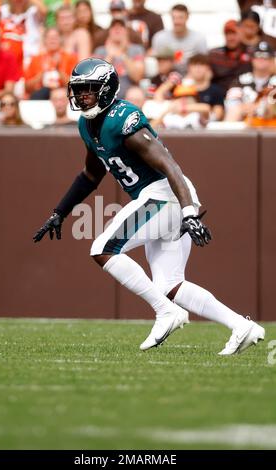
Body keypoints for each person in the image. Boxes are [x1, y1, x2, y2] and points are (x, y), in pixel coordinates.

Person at [33, 57, 265, 355]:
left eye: (89, 89)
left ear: (106, 89)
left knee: (102, 248)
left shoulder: (123, 118)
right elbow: (91, 174)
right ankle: (240, 325)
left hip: (165, 194)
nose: (82, 96)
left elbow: (170, 165)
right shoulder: (87, 124)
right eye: (79, 90)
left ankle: (166, 313)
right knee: (170, 283)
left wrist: (189, 211)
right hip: (160, 198)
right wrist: (59, 212)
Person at [225, 40, 276, 121]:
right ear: (252, 59)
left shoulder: (274, 81)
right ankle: (228, 134)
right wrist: (245, 108)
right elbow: (230, 103)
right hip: (244, 123)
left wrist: (257, 107)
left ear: (272, 60)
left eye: (265, 57)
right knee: (234, 110)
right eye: (258, 56)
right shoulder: (240, 80)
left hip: (270, 124)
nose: (261, 59)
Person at [151, 4, 207, 76]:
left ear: (187, 17)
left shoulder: (199, 38)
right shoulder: (160, 38)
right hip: (167, 78)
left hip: (191, 78)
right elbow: (159, 64)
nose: (177, 21)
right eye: (174, 18)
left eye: (180, 18)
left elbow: (203, 64)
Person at [209, 20, 252, 96]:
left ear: (242, 34)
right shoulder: (215, 54)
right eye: (227, 34)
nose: (230, 37)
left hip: (246, 95)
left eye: (234, 33)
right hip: (219, 96)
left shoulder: (251, 53)